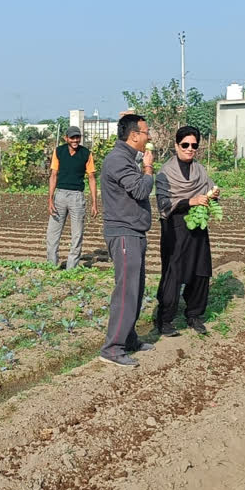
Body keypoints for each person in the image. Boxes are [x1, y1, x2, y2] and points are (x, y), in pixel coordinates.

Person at [98, 114, 157, 367]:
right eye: (146, 132)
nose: (149, 136)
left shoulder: (125, 158)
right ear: (134, 135)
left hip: (133, 232)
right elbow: (141, 189)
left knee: (136, 289)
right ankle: (112, 348)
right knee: (125, 292)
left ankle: (129, 339)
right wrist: (148, 168)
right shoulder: (118, 160)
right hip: (123, 233)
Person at [154, 126, 220, 336]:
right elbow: (163, 203)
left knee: (200, 271)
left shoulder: (200, 170)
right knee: (173, 272)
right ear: (176, 145)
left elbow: (209, 189)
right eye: (185, 145)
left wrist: (213, 194)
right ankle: (164, 320)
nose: (190, 149)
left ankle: (194, 315)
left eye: (194, 145)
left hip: (197, 226)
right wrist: (189, 201)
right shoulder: (166, 172)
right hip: (175, 227)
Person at [46, 125, 98, 270]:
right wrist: (50, 199)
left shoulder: (86, 153)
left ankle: (71, 268)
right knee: (52, 233)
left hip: (77, 197)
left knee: (77, 234)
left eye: (78, 137)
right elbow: (53, 175)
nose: (75, 140)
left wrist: (94, 202)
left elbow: (92, 178)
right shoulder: (59, 151)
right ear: (66, 138)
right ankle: (52, 265)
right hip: (60, 195)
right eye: (72, 137)